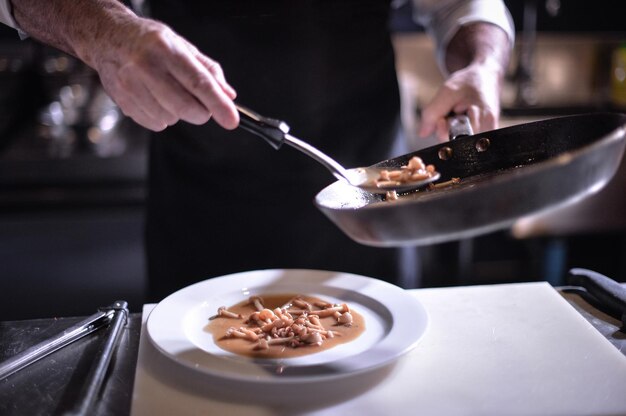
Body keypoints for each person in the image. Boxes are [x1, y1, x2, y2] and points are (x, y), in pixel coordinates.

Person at [1, 0, 514, 301]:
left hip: (367, 197)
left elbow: (462, 5)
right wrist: (108, 31)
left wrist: (482, 65)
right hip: (203, 203)